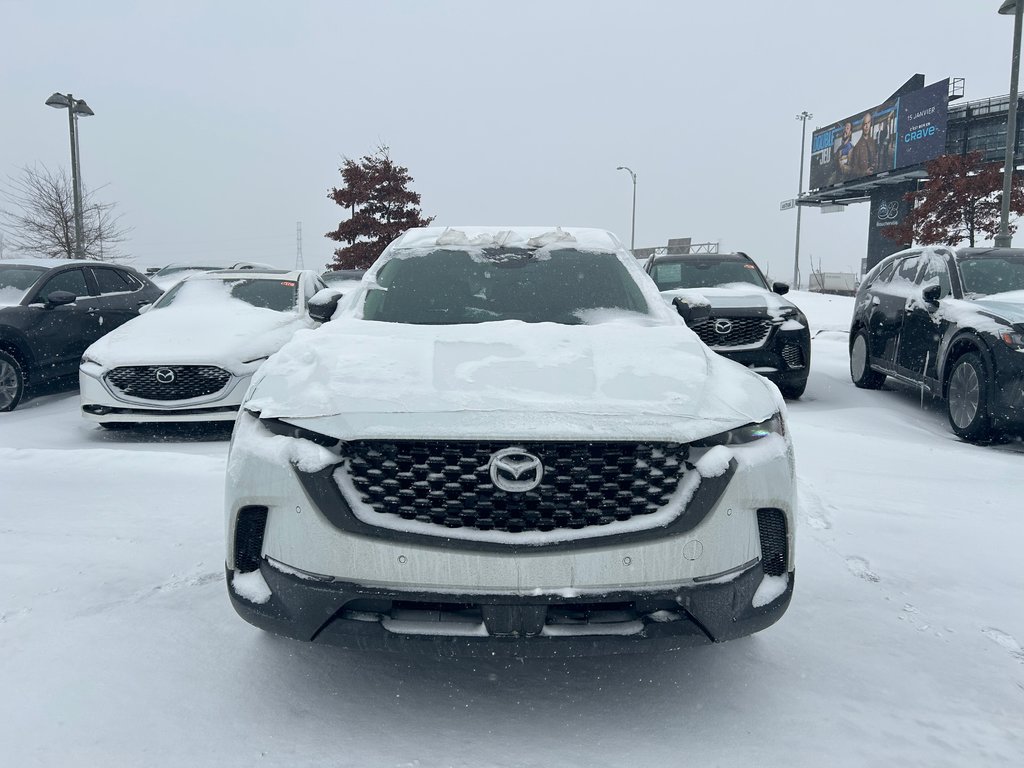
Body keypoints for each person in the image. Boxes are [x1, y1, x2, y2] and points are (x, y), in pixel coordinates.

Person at [850, 111, 879, 179]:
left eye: (868, 123)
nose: (866, 126)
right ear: (862, 126)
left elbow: (876, 158)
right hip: (864, 179)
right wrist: (865, 172)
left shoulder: (872, 142)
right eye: (865, 124)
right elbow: (854, 169)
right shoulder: (857, 147)